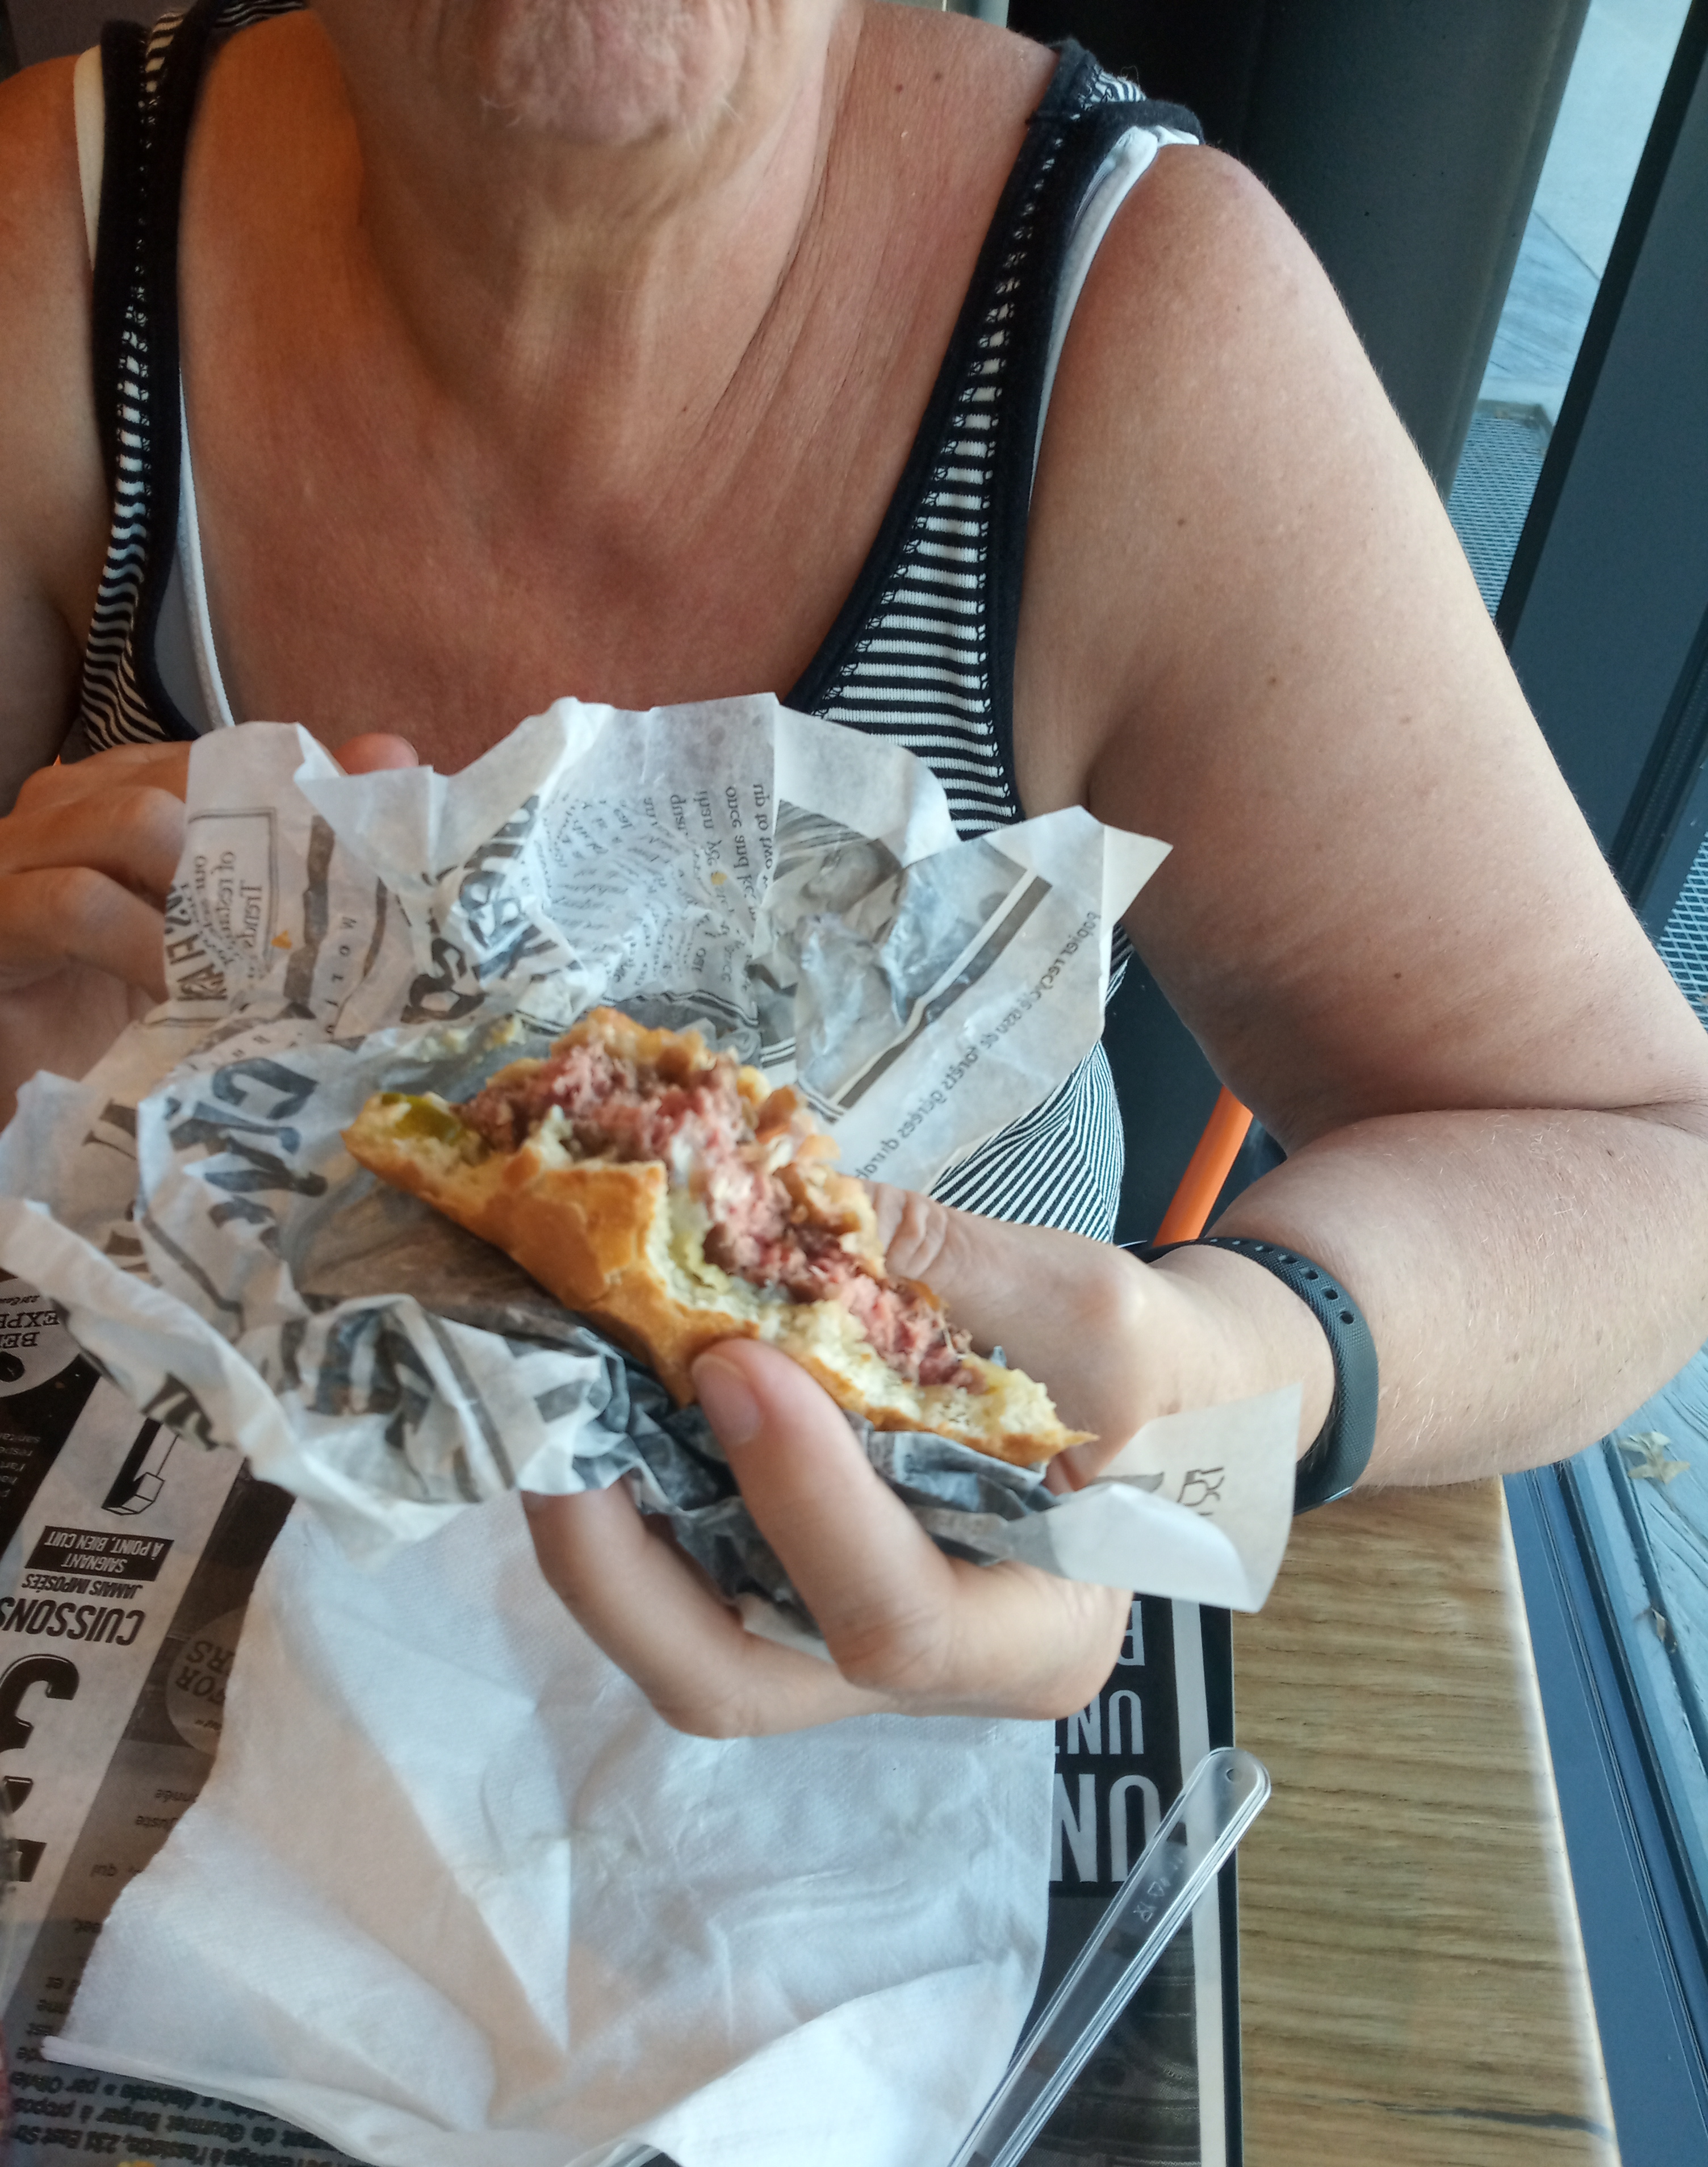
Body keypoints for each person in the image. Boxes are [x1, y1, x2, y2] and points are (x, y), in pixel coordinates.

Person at [1, 0, 1704, 1739]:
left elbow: (1650, 1169)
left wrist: (1205, 1387)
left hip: (918, 1721)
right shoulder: (47, 244)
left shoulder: (1131, 320)